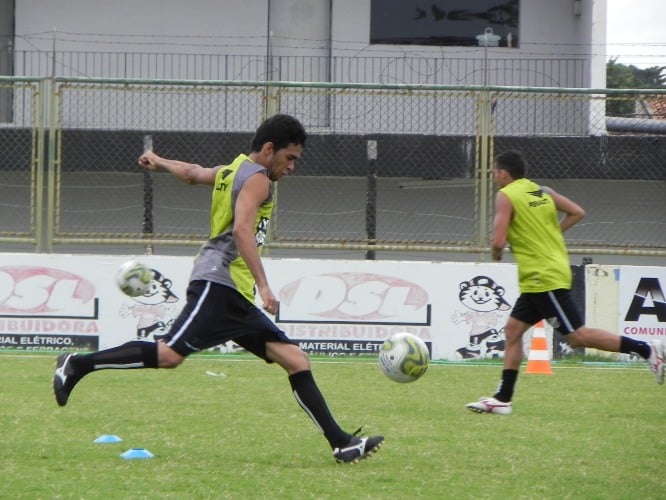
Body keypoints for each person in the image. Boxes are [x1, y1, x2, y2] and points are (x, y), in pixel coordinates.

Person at [53, 113, 384, 463]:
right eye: (290, 158)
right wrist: (265, 286)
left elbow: (194, 173)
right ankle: (77, 364)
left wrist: (160, 161)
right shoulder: (258, 180)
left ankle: (342, 443)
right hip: (219, 283)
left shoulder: (232, 170)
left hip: (234, 295)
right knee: (168, 355)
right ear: (269, 149)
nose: (291, 168)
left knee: (295, 359)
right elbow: (242, 230)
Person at [466, 150, 664, 415]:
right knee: (513, 331)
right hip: (544, 276)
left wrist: (496, 253)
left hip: (542, 277)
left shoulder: (506, 195)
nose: (493, 176)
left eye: (494, 171)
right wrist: (551, 234)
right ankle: (503, 399)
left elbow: (497, 241)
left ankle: (647, 349)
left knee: (578, 337)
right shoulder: (541, 191)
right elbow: (577, 212)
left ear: (504, 173)